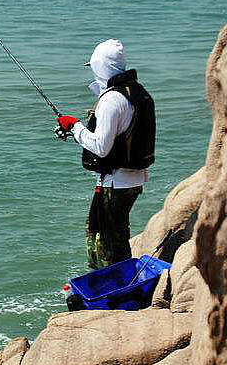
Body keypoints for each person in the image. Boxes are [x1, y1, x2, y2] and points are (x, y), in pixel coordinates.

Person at [55, 39, 156, 270]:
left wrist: (76, 127)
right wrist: (75, 130)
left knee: (107, 241)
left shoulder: (111, 100)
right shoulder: (136, 92)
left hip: (115, 182)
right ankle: (117, 280)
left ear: (100, 66)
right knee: (112, 233)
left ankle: (117, 287)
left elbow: (101, 147)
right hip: (133, 178)